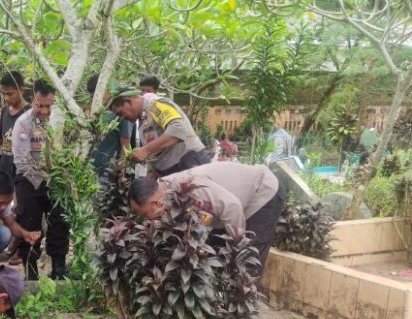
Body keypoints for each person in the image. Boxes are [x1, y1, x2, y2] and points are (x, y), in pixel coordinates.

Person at [129, 162, 285, 282]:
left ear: (155, 203)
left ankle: (243, 318)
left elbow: (232, 208)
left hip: (262, 192)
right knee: (217, 258)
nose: (145, 219)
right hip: (231, 208)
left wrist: (237, 249)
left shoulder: (189, 187)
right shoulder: (164, 190)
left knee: (247, 266)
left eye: (144, 214)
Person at [12, 79, 70, 280]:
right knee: (29, 223)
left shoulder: (61, 121)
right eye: (40, 105)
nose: (45, 111)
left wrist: (59, 175)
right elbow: (21, 160)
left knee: (60, 222)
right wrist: (44, 176)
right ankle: (31, 270)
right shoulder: (23, 123)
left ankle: (59, 270)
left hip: (56, 181)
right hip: (29, 179)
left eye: (49, 106)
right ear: (32, 100)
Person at [110, 88, 209, 178]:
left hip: (190, 163)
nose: (122, 118)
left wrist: (146, 150)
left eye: (120, 113)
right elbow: (160, 152)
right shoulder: (142, 117)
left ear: (129, 102)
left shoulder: (155, 105)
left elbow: (178, 128)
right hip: (174, 172)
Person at [85, 74, 134, 178]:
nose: (95, 99)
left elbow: (125, 144)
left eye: (97, 96)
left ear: (107, 90)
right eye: (92, 97)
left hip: (107, 172)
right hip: (88, 170)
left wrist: (120, 171)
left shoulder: (120, 111)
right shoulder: (98, 111)